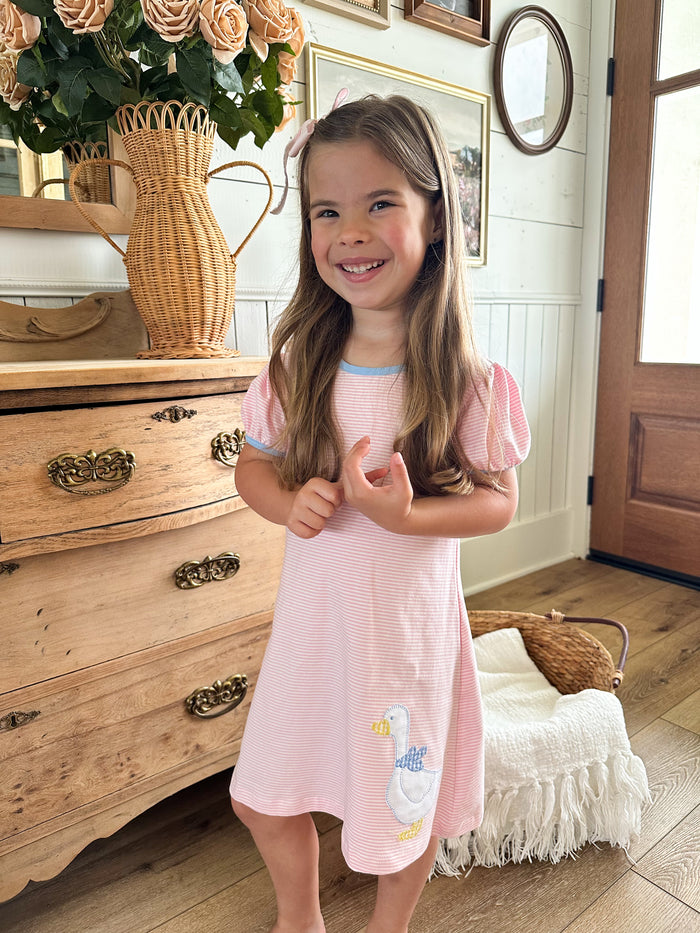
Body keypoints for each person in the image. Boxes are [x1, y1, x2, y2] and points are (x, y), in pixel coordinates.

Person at [230, 94, 530, 933]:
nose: (350, 232)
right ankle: (302, 916)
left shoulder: (467, 379)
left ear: (436, 220)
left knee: (404, 813)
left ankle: (387, 925)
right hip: (312, 636)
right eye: (328, 211)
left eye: (380, 204)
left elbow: (499, 502)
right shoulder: (300, 367)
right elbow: (252, 471)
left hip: (404, 643)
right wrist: (290, 501)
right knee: (262, 796)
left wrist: (407, 517)